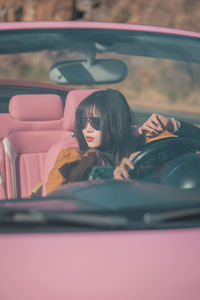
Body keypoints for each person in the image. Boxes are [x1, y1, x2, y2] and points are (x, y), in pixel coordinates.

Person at [45, 89, 200, 194]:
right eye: (83, 121)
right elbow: (55, 204)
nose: (88, 128)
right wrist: (113, 184)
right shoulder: (74, 160)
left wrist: (173, 124)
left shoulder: (149, 149)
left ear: (115, 122)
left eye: (95, 121)